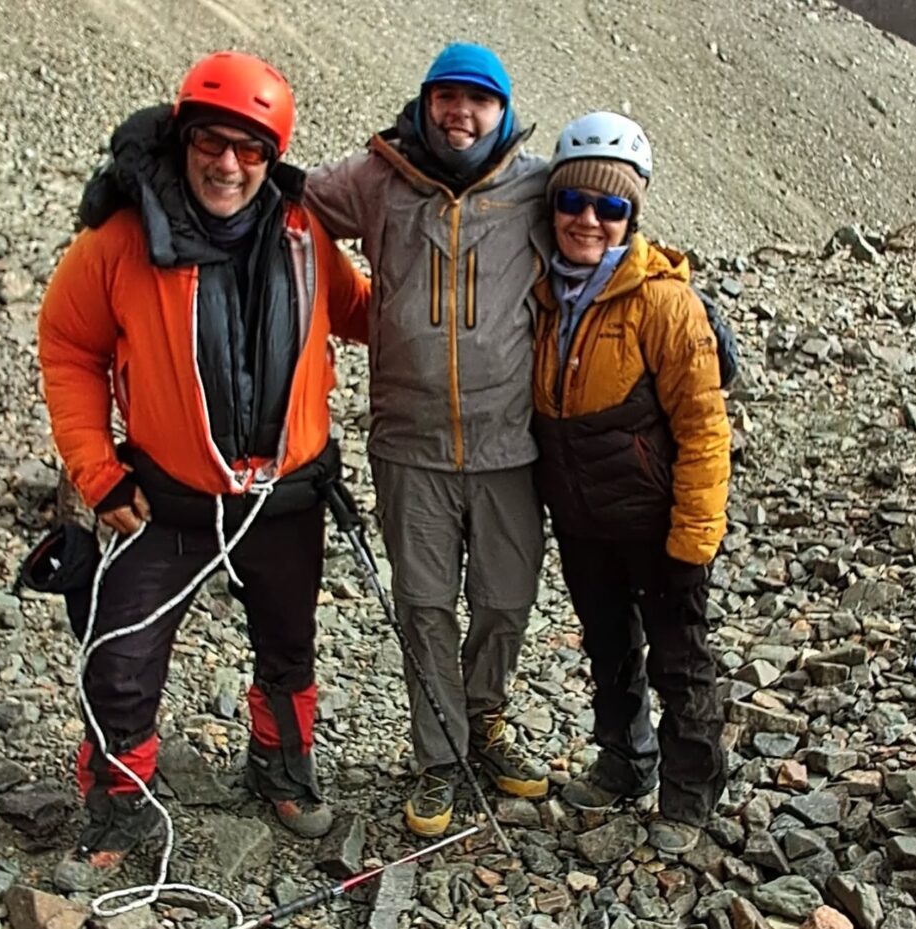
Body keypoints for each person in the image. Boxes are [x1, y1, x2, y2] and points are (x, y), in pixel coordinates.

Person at [36, 51, 370, 887]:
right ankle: (119, 798)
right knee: (121, 656)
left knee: (289, 646)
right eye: (212, 142)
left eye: (250, 149)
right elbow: (68, 345)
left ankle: (281, 769)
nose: (229, 163)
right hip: (162, 498)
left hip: (286, 497)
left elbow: (362, 312)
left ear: (273, 153)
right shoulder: (119, 239)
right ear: (184, 139)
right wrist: (97, 471)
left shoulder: (304, 233)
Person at [304, 43, 550, 838]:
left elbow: (608, 224)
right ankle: (439, 753)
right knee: (423, 605)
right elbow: (291, 203)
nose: (461, 113)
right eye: (447, 96)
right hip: (409, 441)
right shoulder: (380, 178)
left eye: (479, 100)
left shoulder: (537, 186)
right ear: (426, 103)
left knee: (504, 601)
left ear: (502, 111)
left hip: (511, 443)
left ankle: (485, 717)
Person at [531, 112, 731, 854]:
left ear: (631, 215)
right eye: (573, 202)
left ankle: (688, 789)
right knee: (609, 648)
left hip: (655, 519)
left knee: (681, 659)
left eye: (610, 207)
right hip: (584, 519)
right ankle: (624, 761)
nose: (588, 219)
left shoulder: (665, 302)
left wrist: (695, 535)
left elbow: (706, 428)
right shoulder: (545, 294)